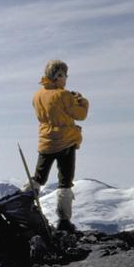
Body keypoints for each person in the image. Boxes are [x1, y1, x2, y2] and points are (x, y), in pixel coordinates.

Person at [28, 59, 89, 233]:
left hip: (45, 140)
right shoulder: (64, 95)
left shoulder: (37, 95)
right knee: (65, 181)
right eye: (63, 75)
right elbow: (80, 115)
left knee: (38, 177)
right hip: (65, 140)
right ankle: (64, 220)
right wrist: (82, 101)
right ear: (57, 76)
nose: (65, 79)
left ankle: (22, 204)